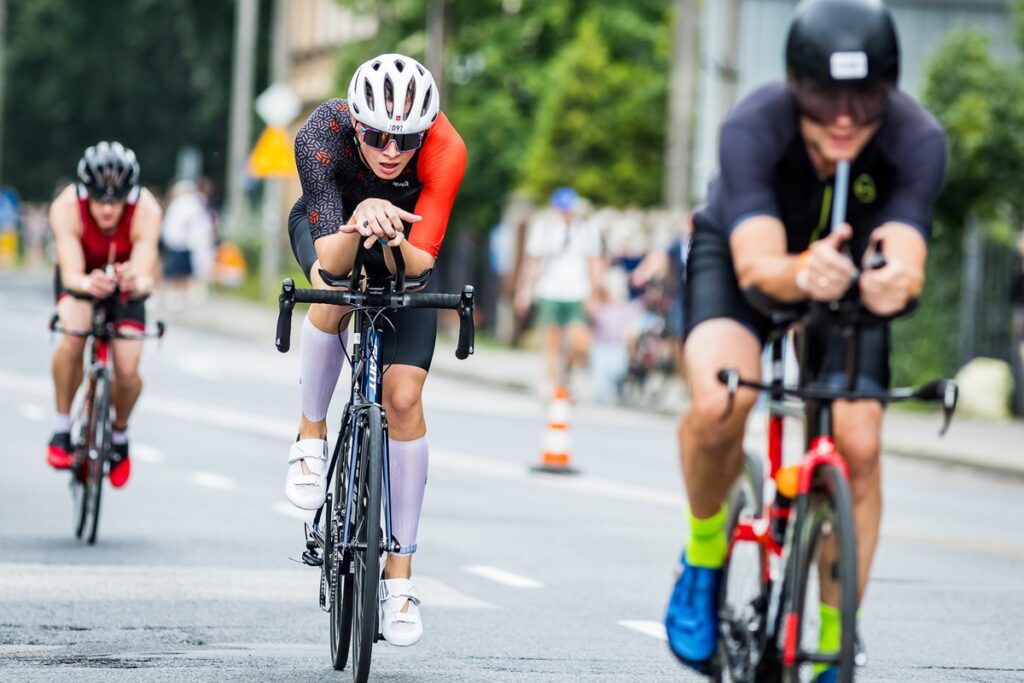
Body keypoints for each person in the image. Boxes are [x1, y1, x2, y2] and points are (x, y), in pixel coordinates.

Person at [663, 1, 946, 679]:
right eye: (825, 94)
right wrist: (803, 270)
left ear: (889, 88)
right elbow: (759, 266)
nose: (844, 115)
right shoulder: (753, 126)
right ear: (796, 85)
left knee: (861, 444)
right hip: (744, 264)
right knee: (718, 405)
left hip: (848, 284)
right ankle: (704, 556)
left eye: (865, 94)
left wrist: (892, 283)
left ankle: (833, 639)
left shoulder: (917, 138)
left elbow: (905, 256)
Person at [284, 53, 466, 647]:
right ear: (355, 124)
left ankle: (400, 580)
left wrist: (389, 233)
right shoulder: (323, 134)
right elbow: (327, 267)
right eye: (378, 136)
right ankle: (310, 440)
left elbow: (419, 267)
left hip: (403, 251)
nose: (392, 151)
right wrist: (360, 216)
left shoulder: (446, 150)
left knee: (404, 397)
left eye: (406, 138)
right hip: (332, 229)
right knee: (337, 296)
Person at [47, 141, 163, 488]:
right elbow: (70, 274)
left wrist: (133, 280)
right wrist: (86, 281)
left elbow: (145, 278)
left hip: (125, 287)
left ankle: (119, 435)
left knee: (127, 367)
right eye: (99, 199)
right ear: (86, 193)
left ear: (129, 194)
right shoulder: (66, 206)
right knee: (73, 334)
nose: (108, 209)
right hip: (82, 278)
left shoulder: (147, 210)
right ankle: (61, 428)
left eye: (116, 200)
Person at [514, 187, 602, 394]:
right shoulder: (544, 227)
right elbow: (533, 262)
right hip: (550, 290)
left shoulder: (587, 229)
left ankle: (568, 373)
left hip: (578, 291)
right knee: (551, 341)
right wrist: (524, 290)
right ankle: (555, 385)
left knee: (577, 342)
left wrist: (595, 294)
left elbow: (594, 262)